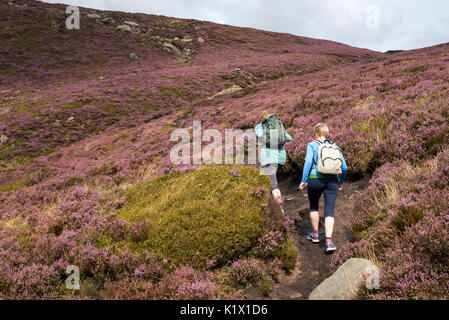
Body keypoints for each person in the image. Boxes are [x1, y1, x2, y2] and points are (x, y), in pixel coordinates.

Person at [298, 123, 347, 252]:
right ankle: (329, 241)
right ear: (326, 134)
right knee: (329, 211)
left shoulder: (312, 145)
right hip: (332, 181)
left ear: (316, 133)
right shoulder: (334, 146)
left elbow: (308, 163)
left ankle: (315, 234)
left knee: (314, 206)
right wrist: (340, 181)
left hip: (315, 180)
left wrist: (303, 180)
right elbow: (344, 167)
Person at [255, 111, 292, 215]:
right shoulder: (277, 126)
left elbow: (259, 134)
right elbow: (289, 138)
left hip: (267, 158)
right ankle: (273, 209)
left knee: (274, 185)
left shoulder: (260, 126)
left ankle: (281, 213)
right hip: (279, 158)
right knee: (270, 182)